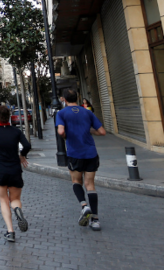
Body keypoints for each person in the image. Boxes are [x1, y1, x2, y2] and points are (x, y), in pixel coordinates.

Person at [56, 89, 106, 231]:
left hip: (75, 153)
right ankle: (95, 219)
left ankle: (84, 206)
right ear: (77, 98)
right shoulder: (87, 112)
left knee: (76, 181)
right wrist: (88, 130)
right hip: (91, 152)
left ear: (64, 99)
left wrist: (66, 136)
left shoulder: (62, 113)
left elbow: (60, 131)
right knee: (90, 185)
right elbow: (102, 132)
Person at [0, 105, 31, 242]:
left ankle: (10, 231)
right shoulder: (16, 131)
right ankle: (17, 210)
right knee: (15, 200)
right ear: (9, 117)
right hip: (15, 169)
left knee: (3, 200)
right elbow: (27, 146)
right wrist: (22, 155)